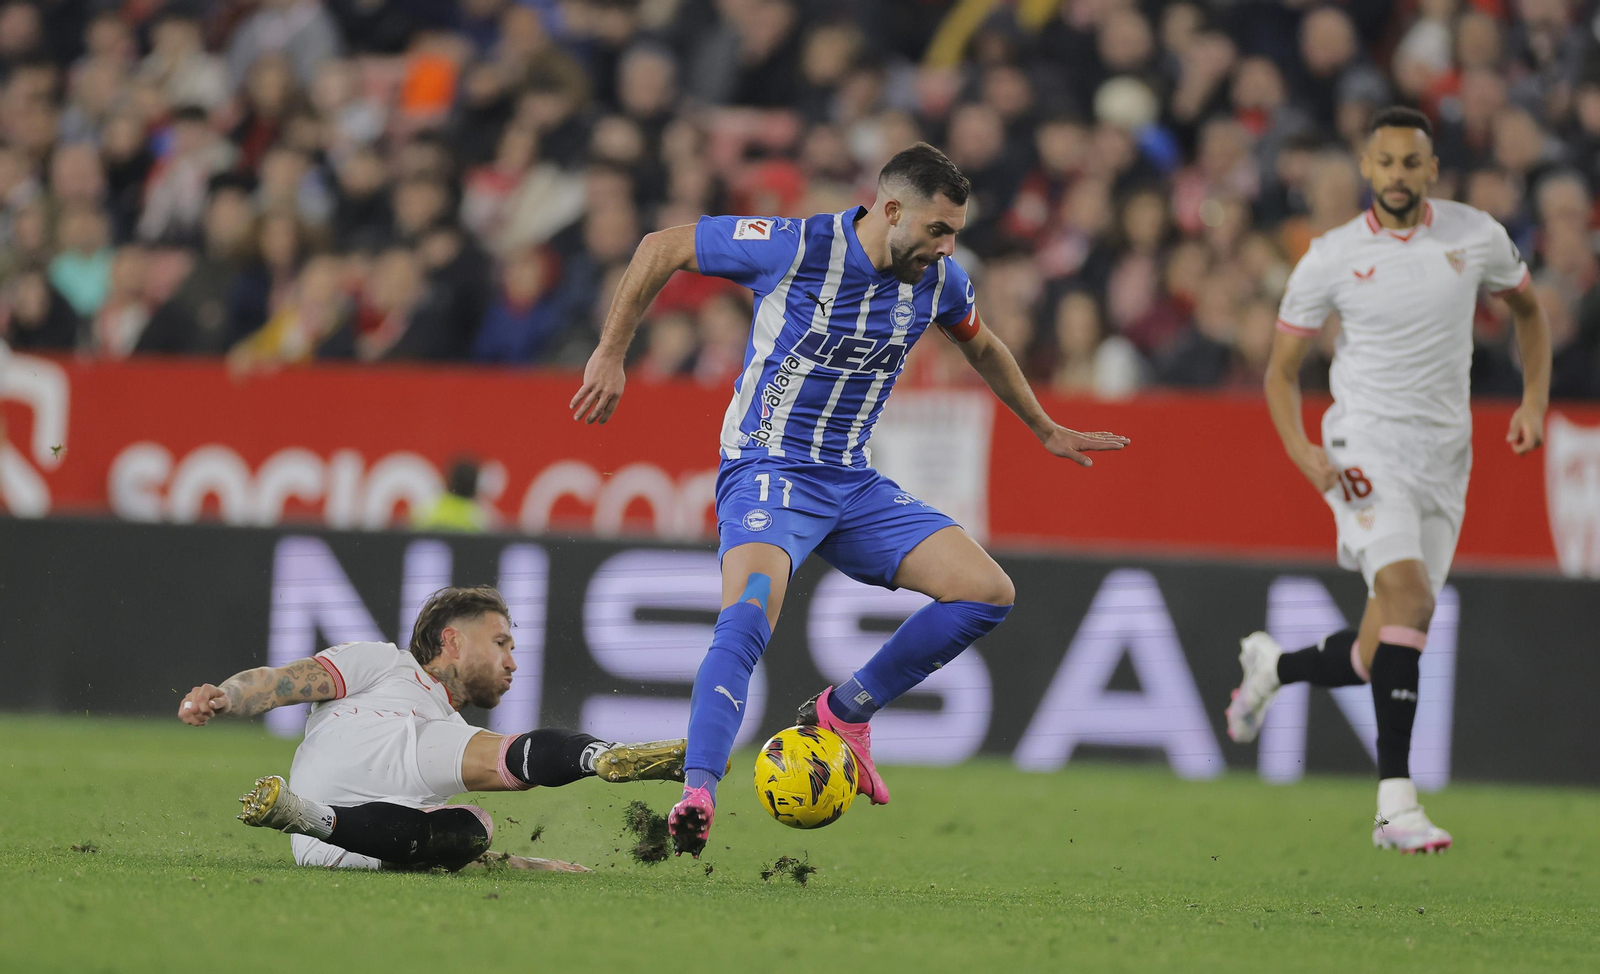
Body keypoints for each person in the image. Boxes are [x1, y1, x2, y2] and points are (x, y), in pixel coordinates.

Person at [570, 142, 1130, 857]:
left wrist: (1043, 426)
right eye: (937, 229)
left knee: (986, 591)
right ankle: (699, 789)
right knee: (745, 621)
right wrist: (611, 353)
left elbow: (982, 345)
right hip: (769, 470)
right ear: (890, 210)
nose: (947, 246)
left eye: (955, 231)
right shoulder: (796, 245)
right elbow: (660, 247)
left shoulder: (940, 281)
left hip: (853, 484)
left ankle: (846, 710)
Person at [1225, 108, 1551, 853]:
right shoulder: (1329, 256)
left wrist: (1534, 401)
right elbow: (1280, 373)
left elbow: (1529, 313)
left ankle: (1274, 667)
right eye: (1386, 163)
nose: (1398, 175)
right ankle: (1395, 806)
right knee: (1407, 596)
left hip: (1447, 457)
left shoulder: (1475, 236)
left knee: (1382, 645)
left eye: (1413, 163)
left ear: (1432, 170)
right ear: (1366, 170)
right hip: (1363, 445)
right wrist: (1302, 448)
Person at [177, 585, 689, 872]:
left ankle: (301, 813)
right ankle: (600, 756)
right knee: (484, 767)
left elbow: (442, 848)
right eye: (502, 644)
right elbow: (282, 683)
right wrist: (226, 697)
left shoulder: (452, 725)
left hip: (349, 843)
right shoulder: (381, 663)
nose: (513, 662)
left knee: (472, 827)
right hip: (363, 796)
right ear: (453, 641)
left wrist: (533, 866)